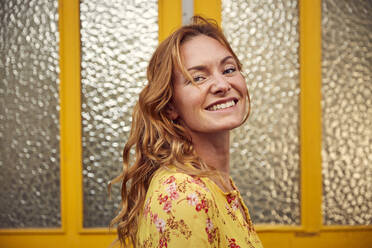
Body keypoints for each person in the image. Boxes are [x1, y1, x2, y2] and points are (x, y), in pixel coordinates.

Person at [110, 16, 263, 248]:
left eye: (229, 69)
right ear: (171, 106)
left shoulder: (216, 183)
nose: (222, 85)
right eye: (198, 77)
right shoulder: (182, 195)